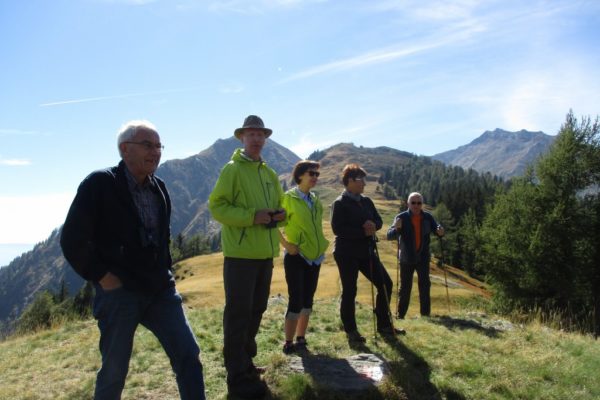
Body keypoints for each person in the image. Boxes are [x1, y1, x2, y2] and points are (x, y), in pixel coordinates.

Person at [60, 120, 205, 400]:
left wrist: (166, 269)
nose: (156, 151)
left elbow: (163, 235)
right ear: (125, 149)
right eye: (148, 145)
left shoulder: (159, 187)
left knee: (188, 355)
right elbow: (72, 239)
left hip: (160, 290)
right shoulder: (99, 184)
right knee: (114, 371)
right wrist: (103, 277)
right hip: (119, 293)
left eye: (159, 145)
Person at [208, 115, 285, 399]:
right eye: (251, 134)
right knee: (239, 314)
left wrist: (279, 215)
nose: (256, 139)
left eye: (260, 134)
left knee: (257, 310)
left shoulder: (269, 174)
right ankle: (237, 377)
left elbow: (277, 205)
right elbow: (217, 207)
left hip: (265, 254)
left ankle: (246, 363)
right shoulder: (232, 170)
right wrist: (251, 218)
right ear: (242, 138)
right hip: (240, 255)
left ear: (265, 139)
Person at [330, 164, 403, 343]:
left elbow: (378, 221)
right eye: (360, 179)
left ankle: (384, 325)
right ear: (349, 181)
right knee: (350, 290)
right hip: (346, 253)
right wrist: (362, 231)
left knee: (385, 283)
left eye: (364, 179)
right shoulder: (339, 203)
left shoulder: (366, 201)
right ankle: (351, 330)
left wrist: (373, 225)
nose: (364, 183)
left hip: (366, 251)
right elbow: (337, 229)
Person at [279, 160, 330, 354]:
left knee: (308, 299)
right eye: (312, 173)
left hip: (315, 257)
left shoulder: (315, 199)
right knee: (296, 299)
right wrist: (287, 245)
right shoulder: (288, 198)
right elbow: (274, 226)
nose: (315, 178)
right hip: (296, 256)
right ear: (300, 175)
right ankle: (288, 342)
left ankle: (301, 338)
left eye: (317, 174)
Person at [387, 192, 444, 319]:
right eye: (413, 202)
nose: (416, 205)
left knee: (425, 286)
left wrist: (440, 230)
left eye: (419, 203)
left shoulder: (428, 217)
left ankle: (425, 316)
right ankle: (400, 316)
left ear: (422, 204)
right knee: (405, 288)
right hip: (406, 258)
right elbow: (389, 236)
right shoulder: (401, 217)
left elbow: (437, 230)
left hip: (423, 258)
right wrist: (396, 229)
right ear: (408, 203)